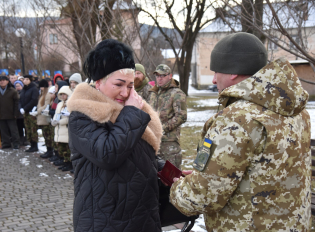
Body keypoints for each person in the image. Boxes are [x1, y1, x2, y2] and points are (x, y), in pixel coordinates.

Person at [169, 32, 311, 231]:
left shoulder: (236, 119)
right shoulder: (298, 111)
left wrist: (176, 188)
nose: (213, 80)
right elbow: (266, 170)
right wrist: (208, 172)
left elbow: (202, 197)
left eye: (216, 71)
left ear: (233, 72)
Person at [67, 39, 163, 232]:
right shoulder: (83, 115)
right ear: (99, 81)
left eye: (130, 85)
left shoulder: (126, 112)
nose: (125, 92)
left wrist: (164, 170)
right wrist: (132, 114)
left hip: (142, 217)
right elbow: (108, 154)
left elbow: (137, 154)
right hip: (105, 220)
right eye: (119, 84)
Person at [149, 64, 187, 169]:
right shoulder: (153, 94)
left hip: (169, 144)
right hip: (153, 142)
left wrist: (161, 128)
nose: (159, 78)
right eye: (157, 76)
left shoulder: (177, 93)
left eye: (162, 76)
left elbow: (181, 116)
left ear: (170, 76)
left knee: (171, 177)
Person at [0, 76, 20, 149]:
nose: (2, 82)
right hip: (1, 114)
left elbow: (17, 103)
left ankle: (16, 143)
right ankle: (6, 143)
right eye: (0, 80)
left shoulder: (12, 91)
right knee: (3, 130)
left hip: (11, 114)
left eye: (4, 80)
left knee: (13, 130)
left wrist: (15, 113)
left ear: (7, 81)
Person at [51, 86, 72, 171]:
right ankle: (65, 162)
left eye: (64, 94)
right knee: (62, 148)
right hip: (59, 128)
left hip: (65, 129)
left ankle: (69, 164)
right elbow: (57, 115)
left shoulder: (70, 104)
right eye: (61, 94)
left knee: (67, 149)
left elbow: (69, 118)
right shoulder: (60, 104)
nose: (63, 96)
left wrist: (60, 122)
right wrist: (54, 121)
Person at [34, 79, 54, 158]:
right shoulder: (42, 94)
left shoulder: (47, 94)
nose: (40, 88)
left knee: (48, 135)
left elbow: (46, 105)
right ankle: (48, 150)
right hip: (41, 117)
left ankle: (50, 150)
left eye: (41, 87)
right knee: (45, 135)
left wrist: (38, 111)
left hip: (45, 118)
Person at [20, 75, 39, 152]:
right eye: (24, 79)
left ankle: (35, 145)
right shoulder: (24, 89)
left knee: (33, 129)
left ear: (30, 80)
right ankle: (31, 144)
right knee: (27, 128)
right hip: (25, 112)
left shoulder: (34, 88)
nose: (25, 80)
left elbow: (34, 100)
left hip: (31, 112)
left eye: (27, 79)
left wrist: (25, 108)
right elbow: (20, 99)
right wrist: (20, 107)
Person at [14, 80, 26, 145]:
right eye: (16, 86)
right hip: (17, 114)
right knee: (19, 127)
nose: (18, 87)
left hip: (23, 112)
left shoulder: (24, 92)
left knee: (25, 126)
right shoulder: (14, 93)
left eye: (19, 86)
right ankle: (21, 138)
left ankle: (26, 139)